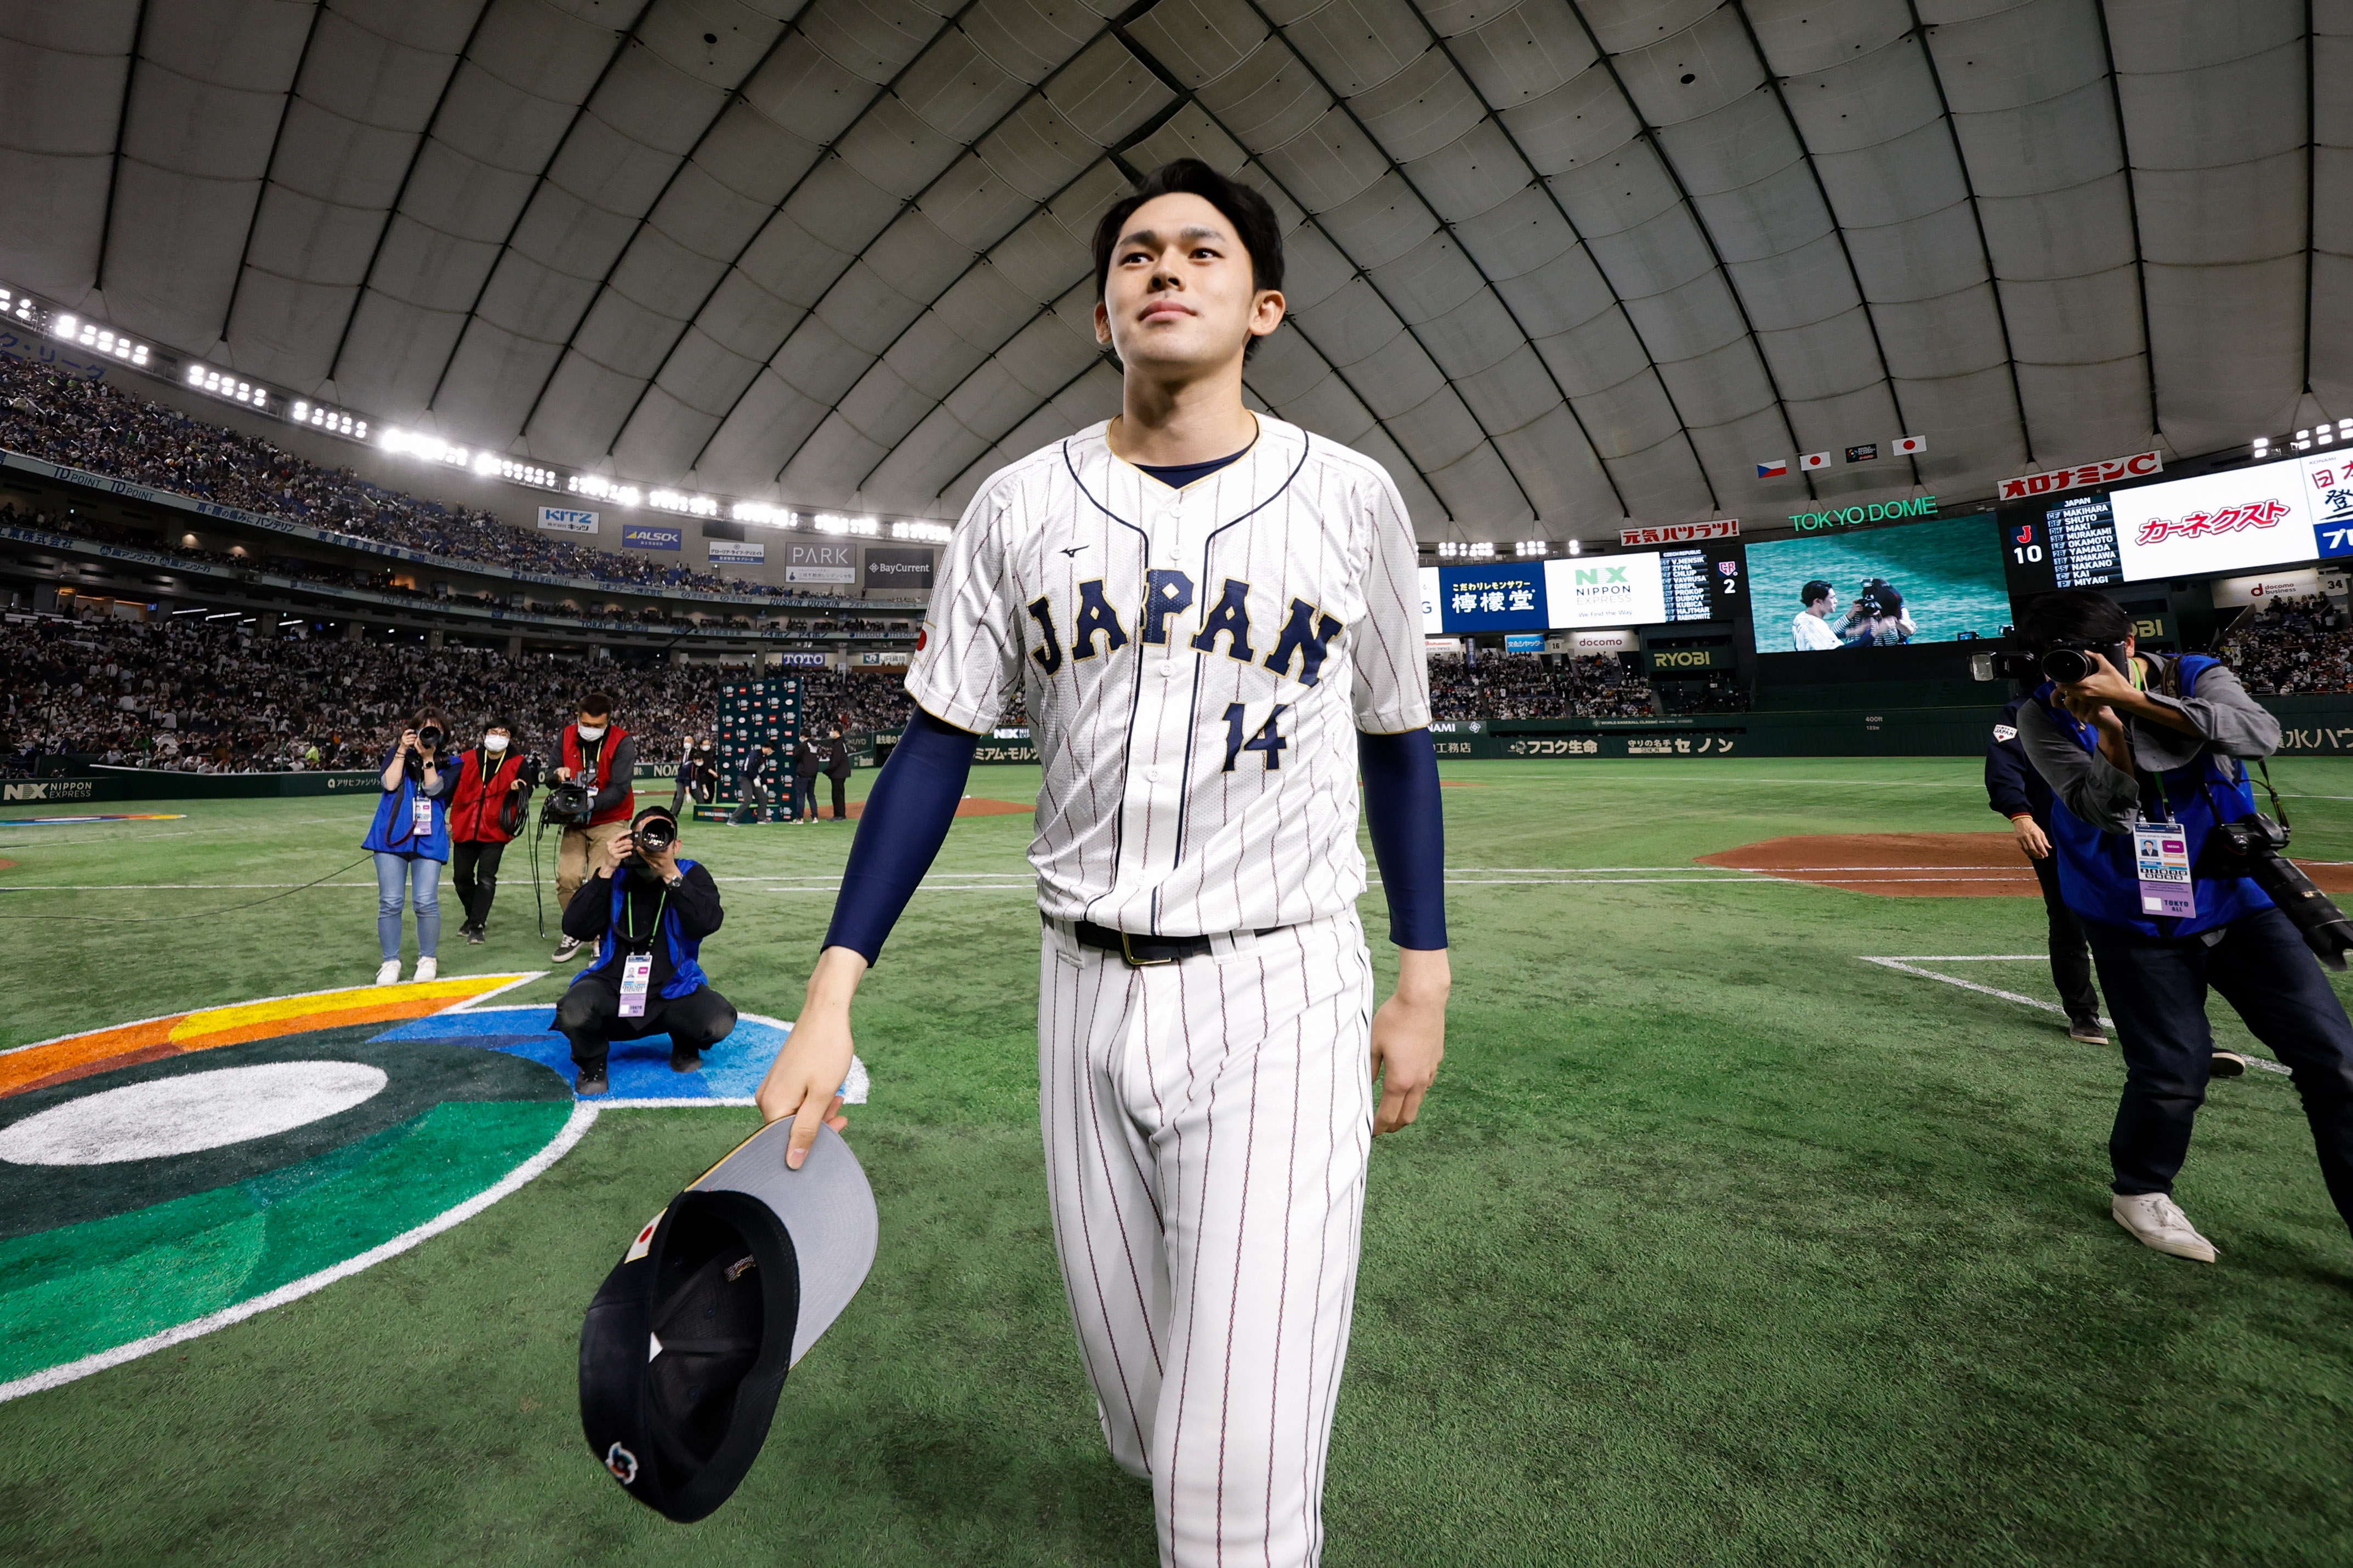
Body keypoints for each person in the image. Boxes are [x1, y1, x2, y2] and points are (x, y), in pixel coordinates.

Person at [752, 158, 1450, 1567]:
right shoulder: (1015, 507)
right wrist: (832, 991)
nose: (1164, 269)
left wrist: (1422, 974)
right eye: (1137, 254)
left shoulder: (1353, 497)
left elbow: (1396, 738)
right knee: (1143, 1422)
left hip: (1278, 989)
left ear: (1262, 306)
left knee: (1224, 1479)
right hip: (1079, 997)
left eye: (1200, 251)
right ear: (1101, 313)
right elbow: (935, 746)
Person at [2016, 589, 2353, 1264]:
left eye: (2089, 659)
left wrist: (2136, 705)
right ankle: (2139, 1189)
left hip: (2236, 895)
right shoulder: (2043, 715)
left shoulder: (2195, 674)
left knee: (2337, 1062)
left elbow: (2260, 733)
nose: (2073, 673)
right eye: (2059, 661)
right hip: (2126, 910)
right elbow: (2102, 812)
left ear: (2128, 648)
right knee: (2171, 1069)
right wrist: (2110, 733)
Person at [554, 805, 735, 1098]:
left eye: (662, 836)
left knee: (718, 1020)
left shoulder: (690, 873)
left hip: (673, 988)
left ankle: (684, 1042)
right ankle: (592, 1061)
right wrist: (607, 868)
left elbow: (708, 922)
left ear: (676, 845)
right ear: (631, 840)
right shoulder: (614, 875)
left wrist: (671, 875)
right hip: (612, 985)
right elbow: (576, 926)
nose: (654, 843)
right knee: (573, 1011)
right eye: (645, 836)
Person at [362, 708, 453, 985]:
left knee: (425, 902)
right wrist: (402, 750)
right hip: (391, 837)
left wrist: (428, 760)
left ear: (443, 735)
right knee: (390, 902)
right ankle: (390, 961)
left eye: (434, 730)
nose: (428, 734)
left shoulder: (452, 762)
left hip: (428, 838)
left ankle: (428, 959)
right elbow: (390, 784)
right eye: (423, 729)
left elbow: (435, 790)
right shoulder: (396, 754)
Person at [552, 691, 635, 963]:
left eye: (598, 726)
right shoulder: (565, 735)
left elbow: (620, 790)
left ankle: (600, 936)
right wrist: (558, 774)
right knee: (568, 878)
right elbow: (551, 773)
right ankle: (576, 929)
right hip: (575, 820)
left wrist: (589, 802)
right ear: (578, 717)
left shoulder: (623, 742)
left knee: (602, 878)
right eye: (586, 724)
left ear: (609, 721)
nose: (590, 730)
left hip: (611, 818)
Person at [448, 718, 532, 945]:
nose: (498, 736)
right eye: (493, 732)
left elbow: (529, 789)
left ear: (511, 739)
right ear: (485, 735)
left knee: (486, 878)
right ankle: (473, 916)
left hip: (496, 830)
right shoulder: (466, 759)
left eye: (504, 733)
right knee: (461, 878)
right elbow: (449, 788)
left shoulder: (517, 762)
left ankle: (476, 924)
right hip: (465, 827)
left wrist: (520, 788)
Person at [1792, 579, 1841, 651]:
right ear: (1818, 601)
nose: (1836, 601)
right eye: (1832, 598)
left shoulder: (1800, 617)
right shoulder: (1813, 624)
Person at [821, 726, 853, 821]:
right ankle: (840, 814)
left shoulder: (838, 744)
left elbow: (836, 761)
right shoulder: (841, 743)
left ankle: (839, 815)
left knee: (837, 795)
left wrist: (828, 771)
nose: (831, 732)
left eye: (832, 730)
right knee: (839, 794)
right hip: (841, 772)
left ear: (837, 732)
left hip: (838, 773)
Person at [792, 728, 822, 823]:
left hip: (803, 773)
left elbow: (796, 756)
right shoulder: (815, 745)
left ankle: (800, 818)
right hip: (813, 774)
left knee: (801, 796)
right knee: (811, 796)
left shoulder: (804, 745)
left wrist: (795, 748)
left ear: (803, 736)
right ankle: (815, 817)